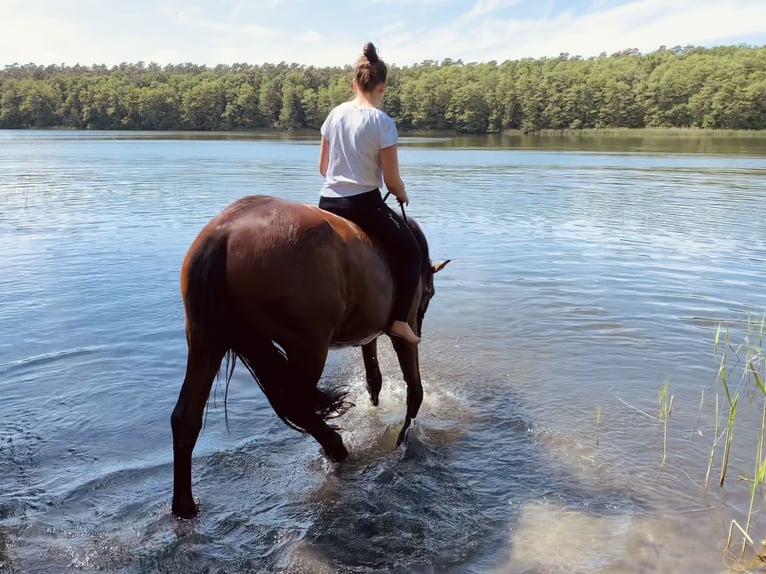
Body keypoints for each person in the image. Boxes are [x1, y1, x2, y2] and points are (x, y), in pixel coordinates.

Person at [318, 42, 423, 345]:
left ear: (354, 83)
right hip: (363, 205)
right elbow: (391, 180)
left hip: (327, 202)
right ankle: (401, 321)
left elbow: (323, 167)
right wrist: (401, 194)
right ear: (382, 87)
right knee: (412, 253)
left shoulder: (334, 115)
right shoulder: (382, 122)